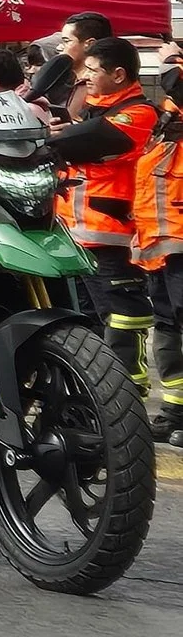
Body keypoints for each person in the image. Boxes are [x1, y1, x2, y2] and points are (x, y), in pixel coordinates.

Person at [62, 35, 159, 406]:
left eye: (92, 69)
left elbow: (82, 143)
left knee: (122, 319)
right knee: (84, 320)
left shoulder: (138, 112)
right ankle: (90, 399)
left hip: (112, 238)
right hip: (77, 236)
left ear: (118, 74)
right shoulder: (92, 109)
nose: (84, 75)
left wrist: (53, 133)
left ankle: (126, 400)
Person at [129, 68, 183, 447]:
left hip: (178, 238)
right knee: (167, 327)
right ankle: (175, 412)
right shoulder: (166, 114)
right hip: (158, 242)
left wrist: (171, 64)